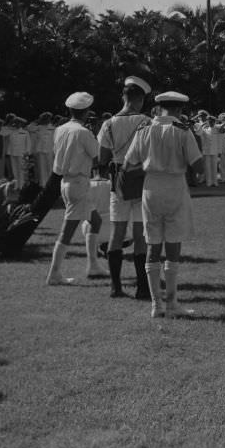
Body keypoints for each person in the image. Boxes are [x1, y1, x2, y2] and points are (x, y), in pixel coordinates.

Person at [123, 90, 204, 318]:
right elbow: (198, 166)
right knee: (173, 246)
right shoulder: (181, 130)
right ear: (179, 109)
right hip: (174, 186)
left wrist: (151, 165)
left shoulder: (144, 129)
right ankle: (172, 303)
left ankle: (155, 305)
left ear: (160, 107)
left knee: (153, 245)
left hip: (150, 187)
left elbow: (128, 166)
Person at [97, 76, 153, 299]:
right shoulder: (147, 122)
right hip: (141, 179)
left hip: (118, 180)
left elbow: (102, 158)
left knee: (117, 233)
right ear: (139, 99)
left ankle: (116, 287)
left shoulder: (108, 123)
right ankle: (142, 287)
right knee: (140, 235)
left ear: (124, 97)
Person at [46, 92, 108, 285]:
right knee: (68, 229)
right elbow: (99, 157)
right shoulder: (82, 132)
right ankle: (54, 273)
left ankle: (93, 265)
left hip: (68, 181)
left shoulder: (60, 129)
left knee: (95, 221)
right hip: (78, 182)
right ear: (86, 111)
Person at [195, 114, 222, 187]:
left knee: (214, 167)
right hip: (206, 151)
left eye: (212, 121)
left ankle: (215, 182)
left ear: (214, 122)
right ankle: (209, 182)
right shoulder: (204, 129)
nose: (211, 123)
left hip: (214, 150)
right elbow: (198, 133)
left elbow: (222, 128)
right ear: (207, 122)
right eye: (209, 121)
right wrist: (201, 125)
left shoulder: (217, 129)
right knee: (208, 167)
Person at [32, 112, 55, 187]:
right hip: (40, 149)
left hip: (50, 149)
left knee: (50, 167)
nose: (47, 120)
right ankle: (42, 184)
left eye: (48, 118)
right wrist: (37, 121)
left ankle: (50, 184)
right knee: (41, 168)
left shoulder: (53, 128)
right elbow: (28, 128)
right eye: (45, 118)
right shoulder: (38, 128)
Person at [8, 117, 32, 189]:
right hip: (13, 152)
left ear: (21, 124)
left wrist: (27, 152)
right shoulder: (11, 132)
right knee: (14, 169)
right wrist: (9, 152)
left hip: (22, 153)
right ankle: (16, 184)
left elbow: (28, 143)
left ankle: (21, 185)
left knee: (21, 170)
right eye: (15, 123)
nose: (16, 124)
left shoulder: (25, 132)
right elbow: (10, 142)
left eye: (18, 123)